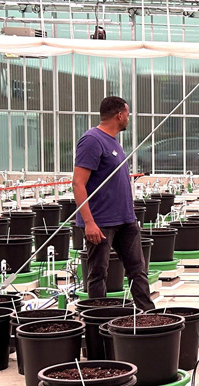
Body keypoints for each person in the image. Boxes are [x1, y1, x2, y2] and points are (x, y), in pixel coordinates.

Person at [72, 96, 154, 310]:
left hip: (125, 219)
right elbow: (78, 184)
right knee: (99, 272)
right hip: (101, 221)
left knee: (138, 269)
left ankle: (147, 313)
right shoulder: (92, 140)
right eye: (127, 113)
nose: (128, 118)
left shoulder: (113, 141)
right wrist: (89, 223)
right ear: (119, 115)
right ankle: (99, 316)